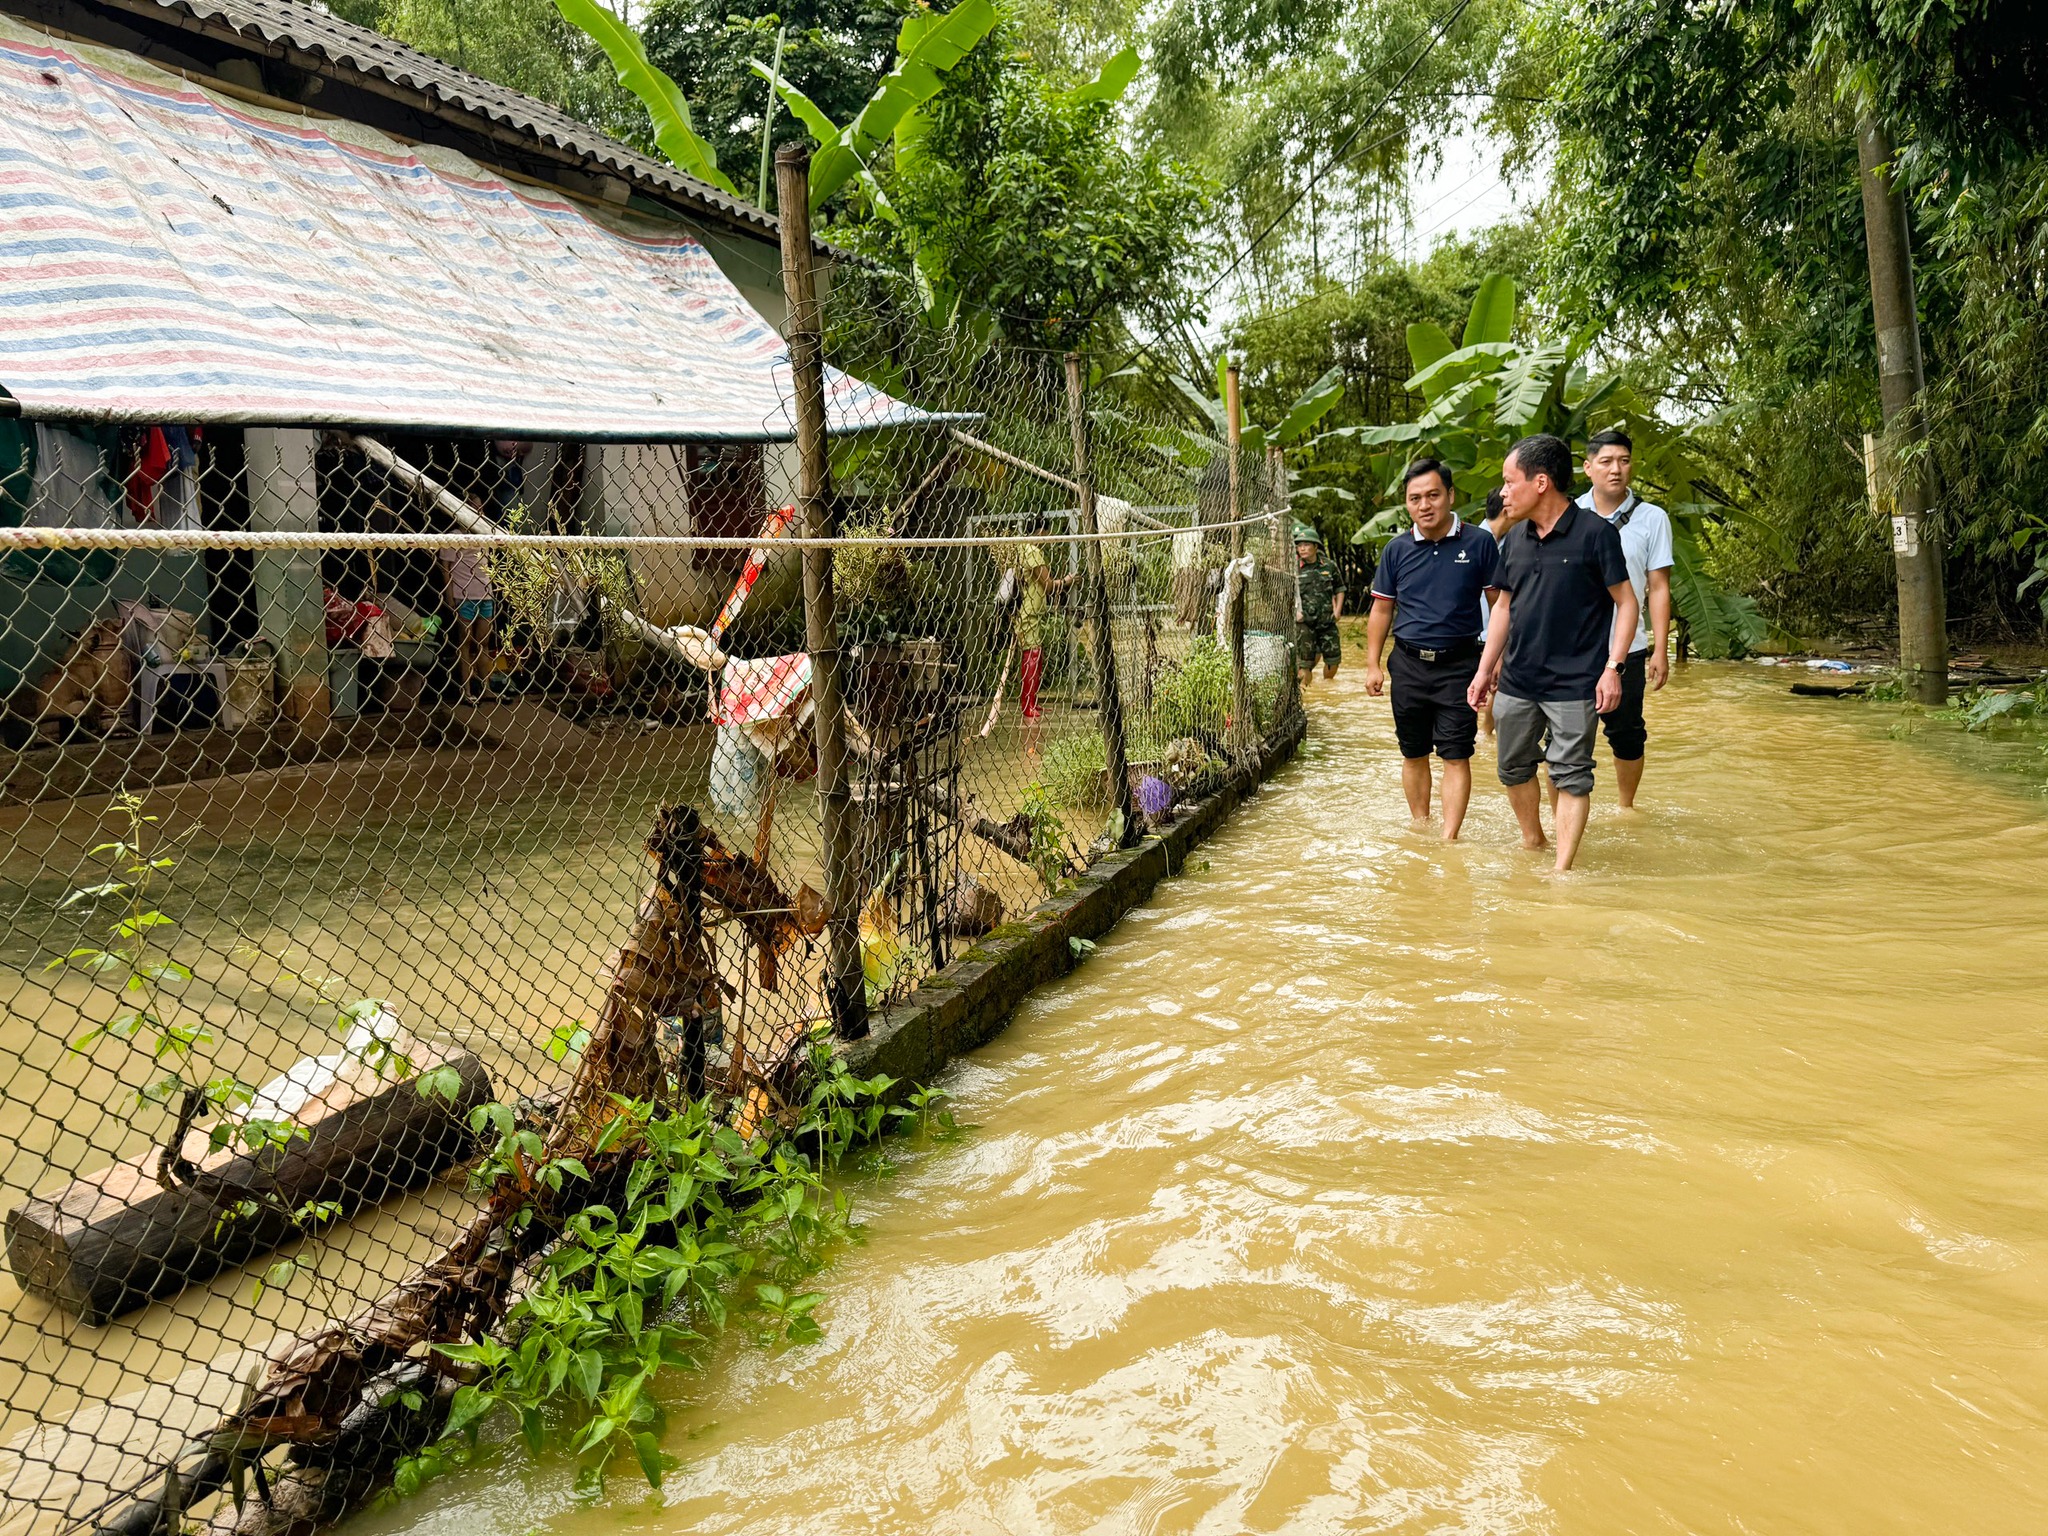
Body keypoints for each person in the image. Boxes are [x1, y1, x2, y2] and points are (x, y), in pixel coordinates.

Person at [1468, 434, 1639, 873]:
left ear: (1540, 482)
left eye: (1510, 481)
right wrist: (1485, 671)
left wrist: (1613, 668)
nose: (1503, 492)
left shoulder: (1595, 534)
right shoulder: (1517, 538)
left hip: (1575, 682)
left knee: (1572, 773)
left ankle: (1562, 872)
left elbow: (1627, 603)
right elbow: (1503, 606)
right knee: (1511, 766)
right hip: (1519, 679)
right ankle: (1534, 841)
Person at [1363, 459, 1500, 840]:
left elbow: (1499, 604)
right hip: (1407, 664)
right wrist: (1372, 664)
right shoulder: (1396, 549)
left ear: (1451, 496)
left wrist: (1496, 661)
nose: (1425, 505)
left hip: (1461, 665)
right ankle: (1421, 826)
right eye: (1415, 498)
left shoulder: (1479, 543)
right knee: (1413, 751)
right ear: (1407, 504)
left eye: (1433, 495)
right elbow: (1382, 609)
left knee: (1457, 753)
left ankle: (1449, 838)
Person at [1577, 428, 1674, 809]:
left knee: (1628, 733)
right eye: (1606, 462)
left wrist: (1660, 650)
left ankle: (1625, 807)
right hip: (1576, 646)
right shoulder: (1571, 514)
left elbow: (1659, 587)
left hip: (1628, 648)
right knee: (1565, 734)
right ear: (1588, 468)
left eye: (1624, 461)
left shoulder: (1652, 518)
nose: (1616, 470)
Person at [998, 517, 1070, 720]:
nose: (1048, 537)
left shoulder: (1023, 549)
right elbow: (1047, 585)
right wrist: (1066, 581)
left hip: (1031, 612)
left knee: (1036, 656)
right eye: (1047, 533)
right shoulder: (1032, 551)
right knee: (1032, 655)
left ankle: (1032, 702)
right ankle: (1027, 704)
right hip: (1028, 613)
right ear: (1040, 531)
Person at [441, 507, 496, 703]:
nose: (479, 512)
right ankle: (466, 691)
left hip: (485, 595)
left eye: (481, 509)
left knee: (484, 644)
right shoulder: (454, 537)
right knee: (465, 643)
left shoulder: (484, 533)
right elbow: (445, 569)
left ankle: (486, 688)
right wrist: (449, 597)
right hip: (464, 596)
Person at [1294, 522, 1343, 684]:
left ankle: (1326, 687)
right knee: (1304, 664)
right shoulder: (1293, 569)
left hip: (1327, 621)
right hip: (1305, 622)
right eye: (1299, 545)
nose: (1302, 548)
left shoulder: (1329, 566)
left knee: (1333, 661)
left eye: (1306, 544)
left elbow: (1340, 588)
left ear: (1316, 546)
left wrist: (1337, 612)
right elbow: (1286, 595)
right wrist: (1295, 613)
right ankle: (1304, 694)